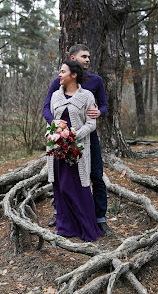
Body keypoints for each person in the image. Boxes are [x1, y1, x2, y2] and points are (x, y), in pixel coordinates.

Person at [43, 44, 113, 236]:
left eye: (89, 56)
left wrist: (99, 112)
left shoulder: (95, 82)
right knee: (60, 178)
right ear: (73, 59)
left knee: (95, 176)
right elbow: (47, 108)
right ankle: (60, 215)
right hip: (60, 139)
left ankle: (100, 219)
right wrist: (56, 128)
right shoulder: (59, 83)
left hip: (87, 138)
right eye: (84, 56)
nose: (88, 59)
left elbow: (104, 106)